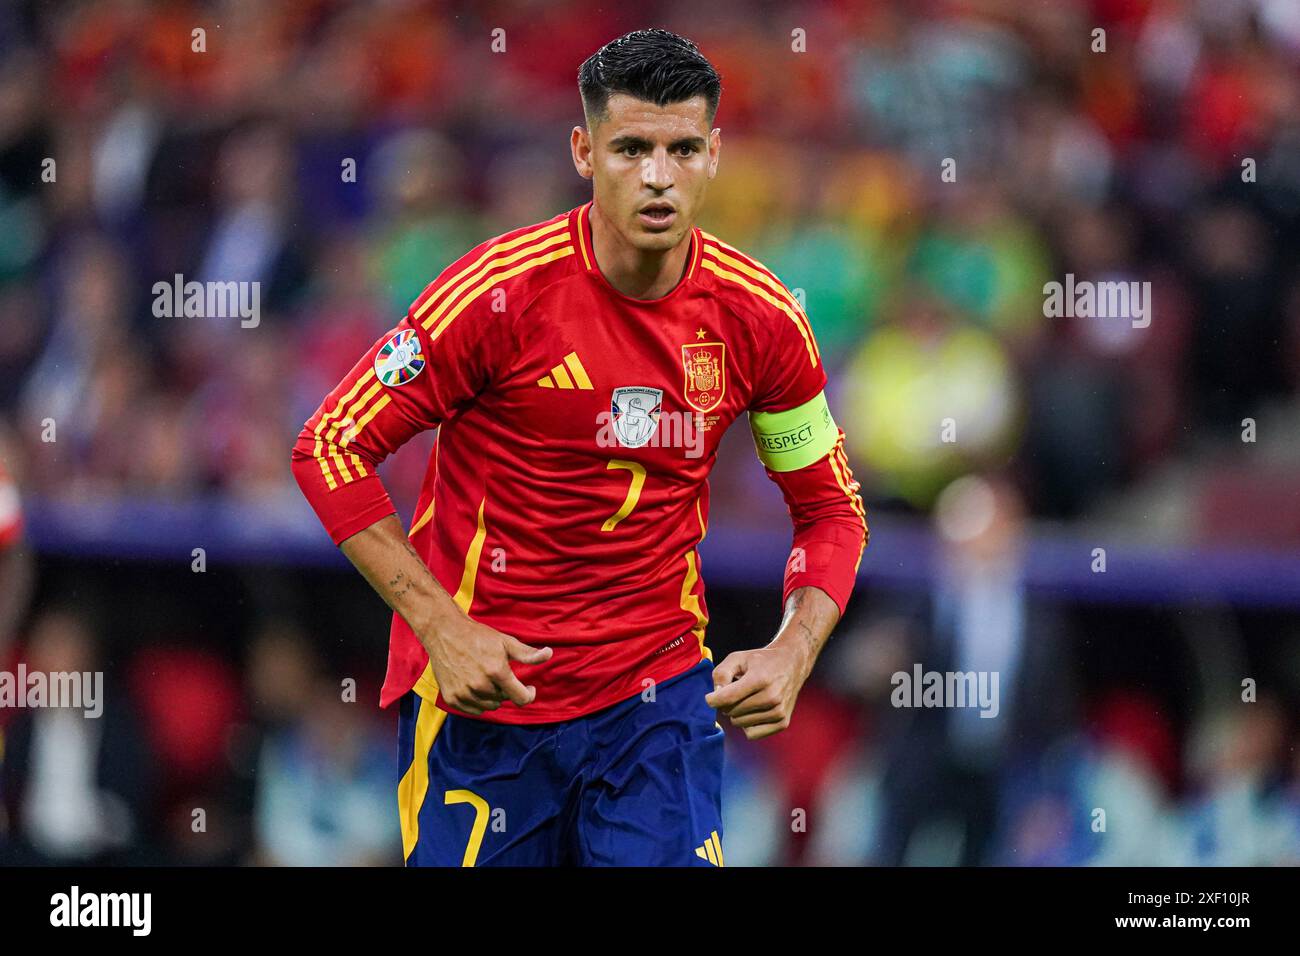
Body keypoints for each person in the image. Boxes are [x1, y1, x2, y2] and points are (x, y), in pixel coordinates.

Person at [291, 28, 867, 866]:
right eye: (631, 147)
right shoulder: (495, 296)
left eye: (681, 149)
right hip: (487, 707)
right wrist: (440, 626)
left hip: (656, 703)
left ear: (714, 155)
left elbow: (829, 509)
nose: (658, 175)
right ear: (584, 150)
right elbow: (330, 445)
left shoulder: (763, 319)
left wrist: (795, 646)